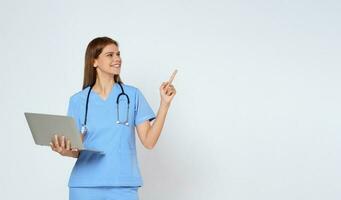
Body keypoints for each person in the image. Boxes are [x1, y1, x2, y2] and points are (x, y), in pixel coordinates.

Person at [49, 36, 176, 200]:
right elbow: (76, 150)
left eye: (118, 54)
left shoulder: (132, 95)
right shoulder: (78, 100)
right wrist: (63, 150)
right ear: (94, 62)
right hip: (84, 186)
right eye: (110, 55)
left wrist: (164, 104)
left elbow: (149, 141)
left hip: (122, 185)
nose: (117, 59)